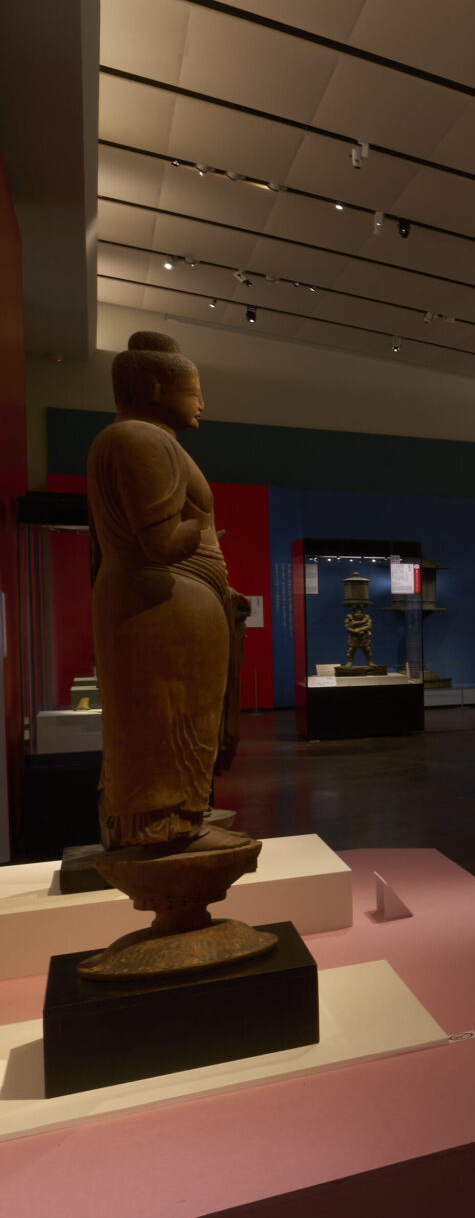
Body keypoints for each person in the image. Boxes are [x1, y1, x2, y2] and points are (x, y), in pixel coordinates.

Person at [89, 332, 254, 858]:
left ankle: (176, 819)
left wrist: (222, 591)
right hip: (157, 605)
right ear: (155, 387)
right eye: (194, 392)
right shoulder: (142, 439)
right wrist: (203, 525)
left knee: (175, 718)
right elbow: (161, 542)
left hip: (161, 603)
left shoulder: (133, 439)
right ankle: (163, 826)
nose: (201, 404)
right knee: (165, 720)